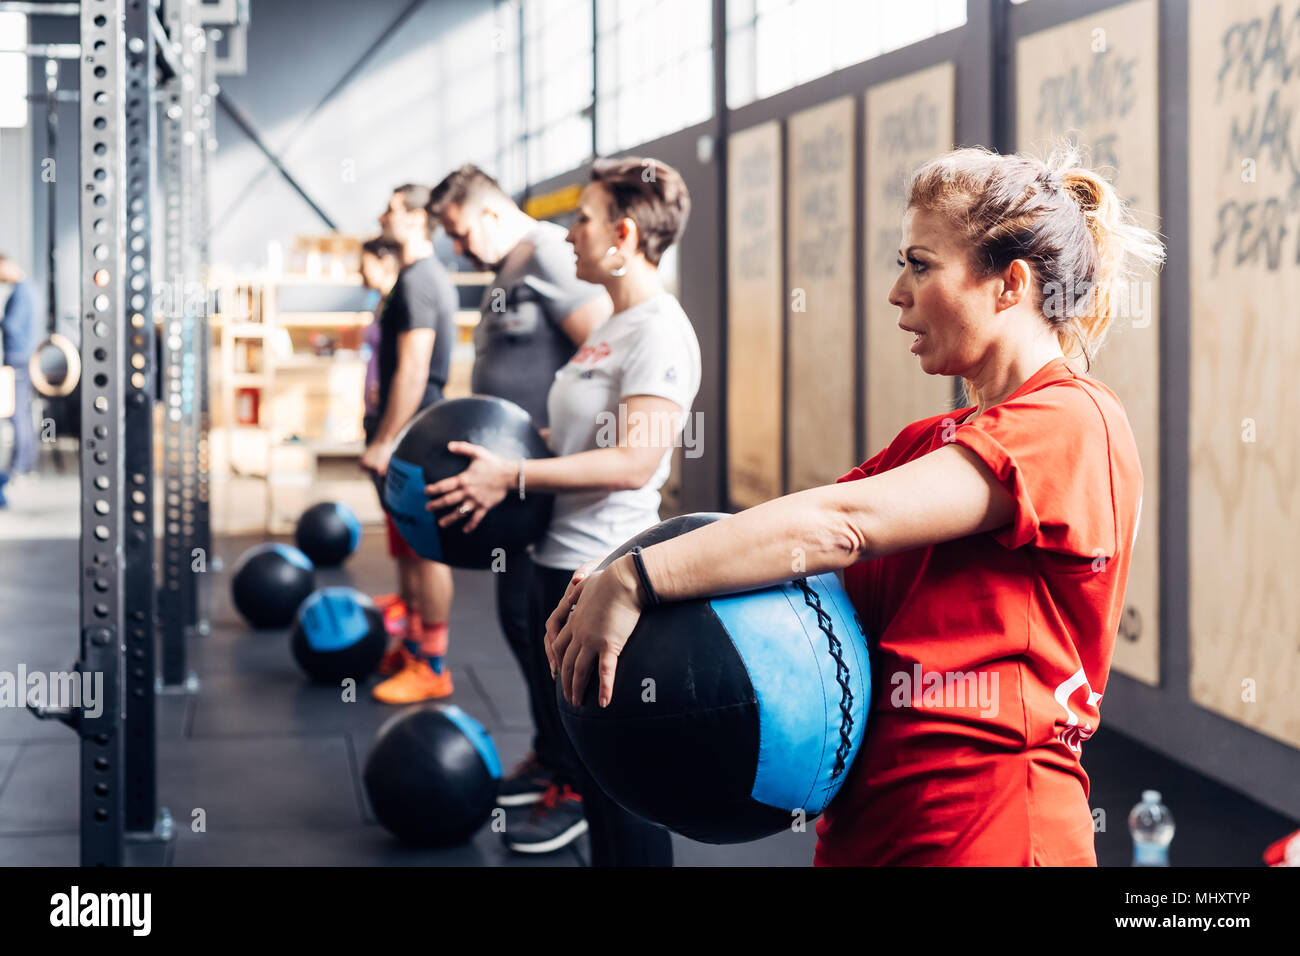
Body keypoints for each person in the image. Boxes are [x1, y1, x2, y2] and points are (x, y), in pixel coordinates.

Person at [546, 145, 1166, 867]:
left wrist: (638, 579)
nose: (897, 293)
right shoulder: (929, 442)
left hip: (992, 830)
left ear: (1010, 285)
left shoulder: (1072, 422)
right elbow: (789, 547)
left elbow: (842, 528)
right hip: (871, 825)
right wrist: (619, 570)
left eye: (920, 264)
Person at [425, 157, 698, 862]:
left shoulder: (658, 331)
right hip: (557, 561)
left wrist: (513, 475)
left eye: (584, 217)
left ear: (625, 236)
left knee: (620, 779)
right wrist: (495, 457)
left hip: (604, 567)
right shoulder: (612, 325)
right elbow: (575, 438)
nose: (568, 231)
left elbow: (635, 461)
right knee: (586, 762)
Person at [426, 164, 611, 810]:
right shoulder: (511, 265)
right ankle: (554, 755)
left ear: (490, 213)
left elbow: (603, 352)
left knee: (545, 624)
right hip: (516, 485)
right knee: (520, 616)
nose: (456, 247)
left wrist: (552, 440)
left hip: (549, 481)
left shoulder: (552, 258)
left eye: (458, 231)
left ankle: (579, 776)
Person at [360, 185, 459, 703]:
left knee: (428, 553)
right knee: (408, 548)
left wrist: (384, 441)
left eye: (394, 208)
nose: (384, 214)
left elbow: (415, 370)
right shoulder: (410, 277)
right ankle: (416, 648)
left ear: (420, 218)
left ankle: (433, 665)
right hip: (409, 432)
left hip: (417, 433)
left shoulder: (421, 280)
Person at [357, 236, 410, 660]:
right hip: (374, 415)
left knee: (407, 525)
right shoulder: (382, 302)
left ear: (383, 261)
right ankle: (405, 601)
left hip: (392, 425)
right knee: (392, 517)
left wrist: (387, 436)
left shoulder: (402, 299)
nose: (359, 272)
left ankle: (422, 642)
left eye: (364, 264)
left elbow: (409, 372)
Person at [0, 255, 39, 507]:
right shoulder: (27, 290)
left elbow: (12, 326)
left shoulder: (21, 293)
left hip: (17, 358)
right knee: (22, 412)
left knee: (17, 415)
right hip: (23, 358)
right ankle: (23, 464)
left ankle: (19, 466)